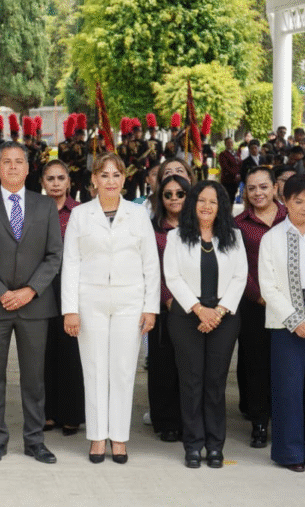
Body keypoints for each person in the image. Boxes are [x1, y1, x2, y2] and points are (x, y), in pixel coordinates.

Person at [0, 142, 63, 465]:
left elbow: (54, 255)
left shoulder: (45, 206)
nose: (12, 166)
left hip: (34, 305)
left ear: (28, 167)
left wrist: (30, 290)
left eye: (18, 161)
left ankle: (35, 440)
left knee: (34, 378)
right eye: (6, 161)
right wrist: (0, 292)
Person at [62, 152, 159, 464]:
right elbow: (71, 263)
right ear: (94, 179)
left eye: (116, 175)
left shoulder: (138, 214)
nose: (110, 181)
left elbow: (150, 263)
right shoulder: (81, 215)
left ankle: (118, 437)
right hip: (90, 300)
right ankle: (96, 437)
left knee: (123, 370)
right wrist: (70, 309)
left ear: (124, 179)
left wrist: (150, 307)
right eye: (104, 175)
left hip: (129, 301)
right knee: (93, 369)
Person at [164, 180, 247, 469]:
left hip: (224, 318)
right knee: (191, 382)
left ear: (221, 206)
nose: (207, 206)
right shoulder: (176, 237)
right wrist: (200, 310)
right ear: (192, 203)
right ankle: (193, 445)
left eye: (213, 201)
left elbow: (240, 276)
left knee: (215, 383)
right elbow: (172, 277)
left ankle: (214, 446)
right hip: (187, 316)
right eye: (201, 200)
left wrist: (218, 312)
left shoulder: (234, 236)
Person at [234, 167, 287, 448]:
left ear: (275, 188)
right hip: (254, 304)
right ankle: (258, 422)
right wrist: (259, 295)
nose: (258, 193)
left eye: (264, 186)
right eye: (252, 188)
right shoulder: (239, 224)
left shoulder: (290, 216)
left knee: (286, 363)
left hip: (289, 303)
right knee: (256, 363)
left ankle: (285, 419)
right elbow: (237, 266)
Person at [259, 175, 305, 472]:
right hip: (285, 322)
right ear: (285, 201)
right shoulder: (272, 238)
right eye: (298, 201)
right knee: (289, 389)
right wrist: (295, 320)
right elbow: (268, 286)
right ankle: (291, 453)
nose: (304, 207)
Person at [40, 160, 84, 437]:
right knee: (45, 350)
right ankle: (47, 413)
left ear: (69, 182)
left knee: (71, 351)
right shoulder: (35, 209)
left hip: (74, 286)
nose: (55, 183)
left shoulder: (80, 212)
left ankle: (71, 414)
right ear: (42, 183)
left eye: (60, 178)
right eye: (50, 178)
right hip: (43, 286)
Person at [149, 175, 191, 443]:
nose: (174, 198)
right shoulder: (152, 228)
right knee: (163, 367)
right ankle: (166, 422)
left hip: (195, 305)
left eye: (179, 193)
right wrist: (167, 298)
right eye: (168, 194)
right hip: (164, 305)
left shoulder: (198, 225)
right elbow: (149, 267)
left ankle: (189, 421)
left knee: (189, 368)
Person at [219, 138, 242, 203]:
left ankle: (230, 209)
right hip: (227, 180)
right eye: (228, 142)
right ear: (225, 144)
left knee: (232, 197)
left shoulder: (236, 153)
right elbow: (225, 167)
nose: (230, 144)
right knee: (226, 198)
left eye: (231, 142)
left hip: (235, 180)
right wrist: (235, 174)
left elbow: (240, 164)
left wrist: (240, 174)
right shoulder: (223, 154)